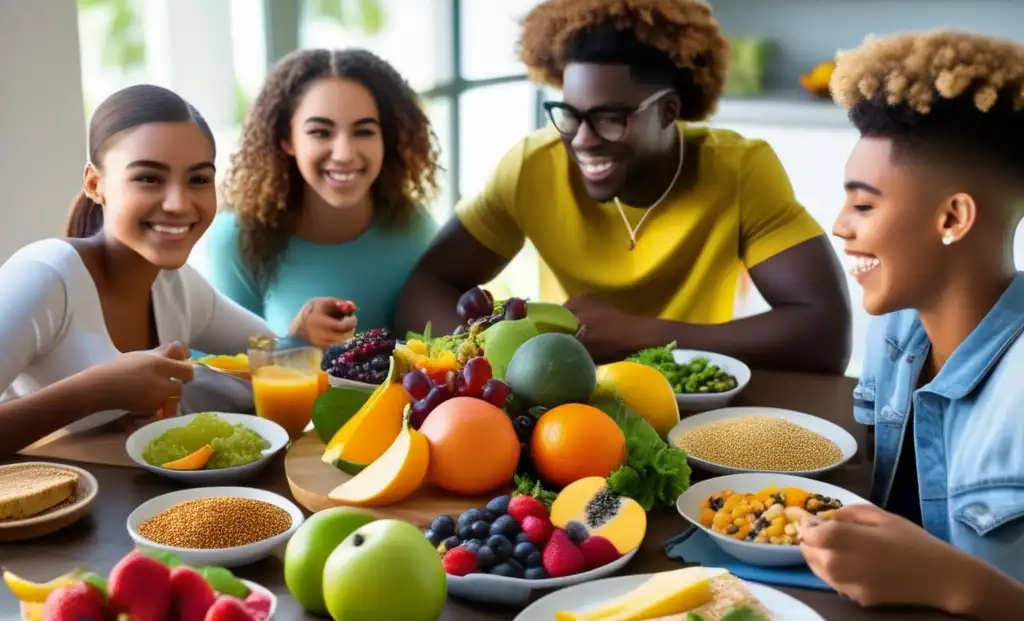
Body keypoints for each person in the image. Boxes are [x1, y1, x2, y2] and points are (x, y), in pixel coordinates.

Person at [395, 0, 852, 373]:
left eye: (611, 119)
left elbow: (826, 333)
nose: (582, 140)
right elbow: (427, 283)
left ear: (669, 112)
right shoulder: (532, 167)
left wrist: (647, 334)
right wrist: (494, 351)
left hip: (692, 394)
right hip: (566, 395)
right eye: (570, 115)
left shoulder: (738, 170)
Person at [798, 30, 1024, 621]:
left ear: (953, 219)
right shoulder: (897, 326)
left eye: (863, 204)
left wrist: (957, 582)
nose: (839, 225)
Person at [0, 84, 347, 458]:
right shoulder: (44, 278)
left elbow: (269, 357)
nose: (179, 204)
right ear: (94, 184)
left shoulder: (177, 287)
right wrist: (95, 391)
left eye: (198, 179)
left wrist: (302, 335)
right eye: (149, 178)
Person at [201, 48, 441, 345]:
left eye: (363, 132)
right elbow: (219, 372)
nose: (343, 154)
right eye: (320, 132)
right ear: (286, 139)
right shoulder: (238, 239)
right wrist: (295, 341)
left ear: (386, 138)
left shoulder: (416, 229)